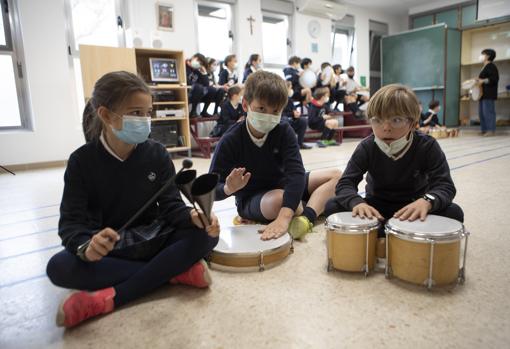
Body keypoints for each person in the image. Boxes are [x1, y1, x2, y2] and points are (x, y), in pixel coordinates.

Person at [46, 71, 220, 328]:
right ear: (105, 115)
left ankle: (112, 297)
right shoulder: (81, 161)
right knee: (59, 267)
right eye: (136, 113)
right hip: (111, 251)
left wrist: (194, 216)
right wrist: (87, 246)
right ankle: (172, 272)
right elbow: (71, 224)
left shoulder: (157, 153)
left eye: (148, 113)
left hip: (154, 238)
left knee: (208, 235)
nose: (145, 120)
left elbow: (171, 206)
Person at [209, 71, 341, 240]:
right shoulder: (230, 140)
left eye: (275, 111)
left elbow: (296, 173)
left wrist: (284, 218)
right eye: (261, 108)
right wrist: (229, 188)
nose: (268, 116)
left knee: (336, 176)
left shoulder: (284, 130)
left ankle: (305, 218)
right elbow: (211, 189)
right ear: (245, 105)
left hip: (284, 186)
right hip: (254, 199)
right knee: (280, 199)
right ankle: (313, 205)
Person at [324, 84, 464, 239]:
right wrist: (358, 203)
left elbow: (445, 186)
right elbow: (345, 184)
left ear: (412, 122)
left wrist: (427, 202)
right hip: (376, 207)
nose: (386, 128)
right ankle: (395, 233)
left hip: (414, 208)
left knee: (454, 212)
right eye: (377, 120)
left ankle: (383, 233)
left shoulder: (427, 146)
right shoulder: (367, 146)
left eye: (396, 120)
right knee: (332, 205)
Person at [282, 81, 311, 150]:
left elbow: (294, 110)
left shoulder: (290, 100)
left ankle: (300, 143)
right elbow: (281, 114)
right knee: (285, 120)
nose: (292, 90)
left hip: (291, 120)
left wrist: (296, 113)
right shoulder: (279, 99)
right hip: (284, 121)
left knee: (303, 120)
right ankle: (286, 145)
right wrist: (292, 114)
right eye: (290, 88)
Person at [477, 48, 499, 136]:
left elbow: (494, 79)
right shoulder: (484, 67)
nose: (481, 56)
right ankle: (484, 129)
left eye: (483, 54)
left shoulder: (491, 66)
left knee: (488, 112)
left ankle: (491, 130)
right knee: (481, 112)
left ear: (488, 56)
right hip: (482, 93)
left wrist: (483, 81)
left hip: (489, 93)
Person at [186, 53, 213, 117]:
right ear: (193, 57)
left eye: (200, 63)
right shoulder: (183, 65)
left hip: (197, 92)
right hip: (186, 91)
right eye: (198, 60)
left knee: (212, 89)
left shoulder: (197, 70)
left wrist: (204, 73)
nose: (198, 63)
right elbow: (187, 82)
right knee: (199, 87)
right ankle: (193, 111)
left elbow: (206, 84)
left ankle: (204, 111)